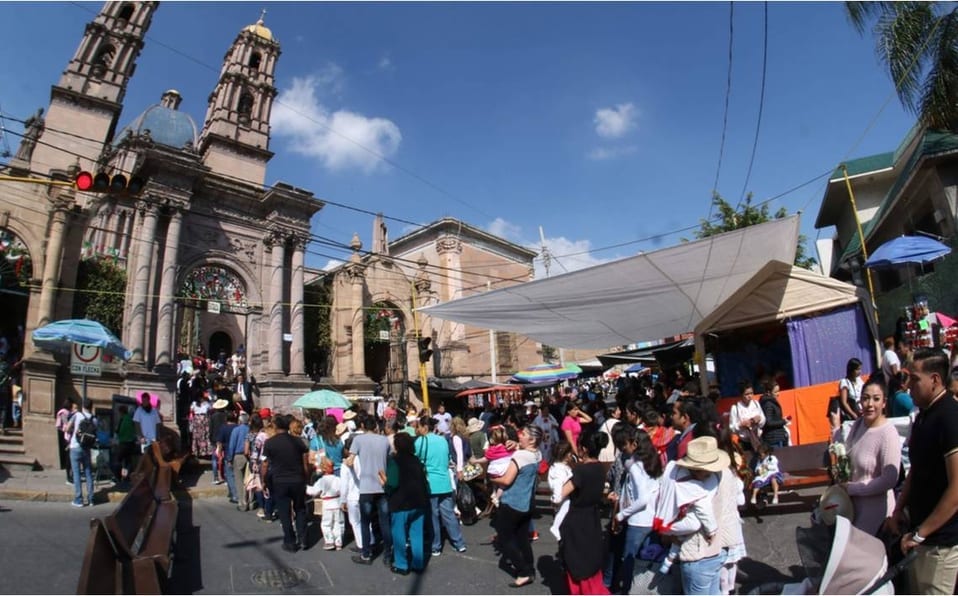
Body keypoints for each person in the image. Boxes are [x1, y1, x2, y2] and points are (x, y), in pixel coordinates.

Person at [887, 348, 958, 594]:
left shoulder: (949, 416)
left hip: (941, 544)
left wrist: (921, 533)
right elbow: (915, 471)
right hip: (918, 538)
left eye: (915, 379)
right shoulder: (923, 416)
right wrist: (898, 509)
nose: (908, 386)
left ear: (935, 380)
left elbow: (957, 489)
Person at [654, 436, 727, 595]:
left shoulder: (682, 476)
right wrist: (712, 530)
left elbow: (702, 508)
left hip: (697, 556)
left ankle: (669, 545)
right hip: (716, 553)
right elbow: (705, 507)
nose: (708, 474)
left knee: (693, 523)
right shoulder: (715, 478)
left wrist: (711, 530)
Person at [832, 378, 901, 534]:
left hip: (875, 514)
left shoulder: (888, 434)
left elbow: (889, 480)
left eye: (876, 399)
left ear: (884, 402)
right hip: (851, 510)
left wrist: (853, 489)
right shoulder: (857, 425)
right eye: (865, 398)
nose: (870, 404)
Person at [609, 426, 662, 594]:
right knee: (645, 558)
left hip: (638, 521)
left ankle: (626, 590)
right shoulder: (652, 462)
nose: (623, 449)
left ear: (635, 444)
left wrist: (621, 514)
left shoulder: (635, 466)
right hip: (651, 518)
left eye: (625, 445)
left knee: (629, 559)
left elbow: (642, 499)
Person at [557, 431, 611, 595]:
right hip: (592, 516)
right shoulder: (600, 468)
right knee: (590, 557)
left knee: (577, 559)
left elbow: (561, 493)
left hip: (577, 518)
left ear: (584, 449)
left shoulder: (581, 470)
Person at [489, 424, 542, 589]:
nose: (520, 435)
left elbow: (505, 480)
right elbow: (524, 450)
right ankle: (530, 568)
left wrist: (491, 478)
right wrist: (516, 445)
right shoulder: (537, 454)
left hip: (512, 502)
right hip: (526, 502)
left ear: (532, 439)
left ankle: (523, 571)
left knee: (505, 538)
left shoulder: (520, 456)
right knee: (522, 538)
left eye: (524, 434)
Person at [414, 416, 467, 556]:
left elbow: (415, 459)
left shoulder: (420, 441)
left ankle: (436, 546)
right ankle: (459, 542)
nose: (417, 429)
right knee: (448, 514)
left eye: (419, 426)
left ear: (425, 427)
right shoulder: (443, 440)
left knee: (433, 516)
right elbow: (448, 458)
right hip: (445, 481)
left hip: (430, 482)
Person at [262, 414, 310, 553]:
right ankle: (303, 539)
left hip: (279, 481)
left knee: (284, 512)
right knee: (300, 508)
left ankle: (290, 541)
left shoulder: (270, 443)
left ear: (276, 426)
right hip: (297, 479)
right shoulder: (297, 441)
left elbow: (265, 464)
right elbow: (305, 463)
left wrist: (264, 481)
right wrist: (306, 478)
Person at [347, 416, 392, 565]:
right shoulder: (384, 440)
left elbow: (350, 460)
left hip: (366, 486)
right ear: (376, 427)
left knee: (365, 522)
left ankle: (366, 554)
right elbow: (390, 458)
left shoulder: (358, 440)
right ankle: (388, 554)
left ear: (362, 425)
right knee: (385, 521)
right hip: (382, 485)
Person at [385, 431, 429, 575]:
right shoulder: (416, 460)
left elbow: (392, 482)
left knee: (399, 534)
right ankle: (418, 562)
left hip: (401, 502)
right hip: (419, 500)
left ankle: (401, 564)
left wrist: (384, 484)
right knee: (417, 534)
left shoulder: (394, 461)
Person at [307, 458, 344, 550]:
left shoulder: (322, 481)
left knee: (326, 523)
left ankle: (329, 541)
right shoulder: (338, 480)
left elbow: (314, 491)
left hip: (327, 504)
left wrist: (306, 488)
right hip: (337, 503)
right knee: (339, 523)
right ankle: (338, 541)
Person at [66, 398, 96, 507]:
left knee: (77, 473)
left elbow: (67, 428)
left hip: (75, 446)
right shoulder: (94, 419)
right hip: (87, 449)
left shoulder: (77, 415)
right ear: (91, 406)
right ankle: (91, 499)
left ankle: (79, 499)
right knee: (88, 473)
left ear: (83, 406)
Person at [548, 441, 575, 541]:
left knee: (562, 510)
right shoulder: (559, 469)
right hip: (562, 495)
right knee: (564, 509)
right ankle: (555, 526)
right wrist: (557, 497)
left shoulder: (561, 467)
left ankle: (556, 526)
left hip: (563, 494)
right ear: (567, 455)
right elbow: (558, 485)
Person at [728, 383, 764, 451]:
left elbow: (763, 420)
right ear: (741, 395)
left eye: (751, 393)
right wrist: (740, 425)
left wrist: (759, 419)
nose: (750, 396)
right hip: (745, 443)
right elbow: (731, 428)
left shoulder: (756, 403)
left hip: (758, 439)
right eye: (746, 394)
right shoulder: (735, 408)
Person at [832, 358, 864, 429]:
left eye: (860, 369)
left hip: (862, 411)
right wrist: (853, 414)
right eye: (857, 369)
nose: (860, 372)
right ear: (852, 370)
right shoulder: (845, 382)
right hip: (853, 414)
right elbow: (844, 402)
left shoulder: (859, 380)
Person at [228, 412, 251, 511]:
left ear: (240, 421)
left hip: (238, 456)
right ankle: (250, 501)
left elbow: (232, 445)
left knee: (239, 480)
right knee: (249, 480)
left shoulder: (236, 430)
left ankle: (242, 502)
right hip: (249, 456)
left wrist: (229, 458)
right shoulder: (250, 430)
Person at [112, 404, 137, 484]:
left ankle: (118, 477)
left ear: (121, 412)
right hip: (131, 444)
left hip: (123, 443)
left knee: (117, 460)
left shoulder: (122, 419)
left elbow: (117, 431)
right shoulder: (131, 419)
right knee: (128, 461)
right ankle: (127, 477)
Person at [759, 382, 789, 448]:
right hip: (774, 439)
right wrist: (783, 421)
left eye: (778, 391)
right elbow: (768, 422)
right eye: (775, 392)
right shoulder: (768, 404)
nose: (778, 394)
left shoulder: (771, 402)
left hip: (778, 437)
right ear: (768, 392)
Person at [56, 400, 76, 484]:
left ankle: (70, 475)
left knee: (70, 457)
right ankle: (69, 477)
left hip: (68, 436)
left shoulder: (66, 413)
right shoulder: (64, 413)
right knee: (68, 458)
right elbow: (66, 424)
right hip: (67, 437)